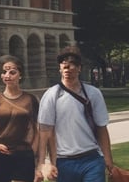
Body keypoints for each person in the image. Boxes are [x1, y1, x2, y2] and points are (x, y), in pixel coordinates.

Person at [35, 47, 114, 182]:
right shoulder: (51, 95)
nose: (67, 69)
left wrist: (108, 159)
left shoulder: (93, 93)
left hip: (91, 159)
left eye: (71, 65)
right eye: (64, 65)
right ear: (60, 68)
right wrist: (41, 163)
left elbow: (101, 127)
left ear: (79, 68)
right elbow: (44, 132)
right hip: (64, 161)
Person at [0, 55, 39, 182]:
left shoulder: (30, 99)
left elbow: (37, 128)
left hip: (23, 153)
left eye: (12, 72)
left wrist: (36, 155)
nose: (8, 75)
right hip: (0, 153)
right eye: (4, 72)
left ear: (20, 75)